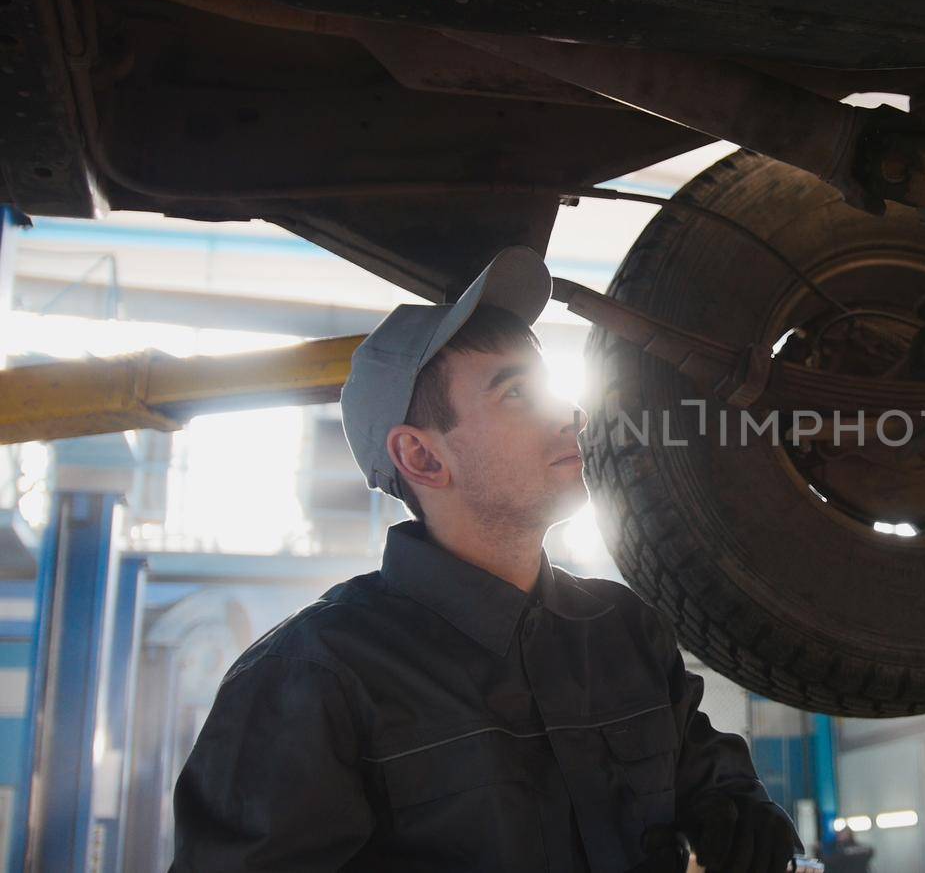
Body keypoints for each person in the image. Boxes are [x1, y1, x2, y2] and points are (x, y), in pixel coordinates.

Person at [169, 247, 801, 872]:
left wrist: (737, 811)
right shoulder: (313, 679)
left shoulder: (622, 629)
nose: (572, 413)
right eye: (518, 394)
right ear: (422, 458)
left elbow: (704, 772)